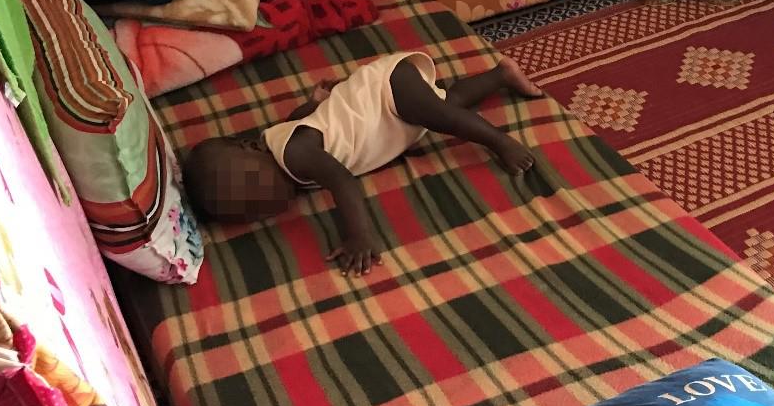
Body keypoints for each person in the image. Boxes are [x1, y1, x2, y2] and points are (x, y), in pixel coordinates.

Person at [182, 54, 542, 274]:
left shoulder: (293, 155)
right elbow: (303, 118)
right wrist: (319, 102)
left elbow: (343, 182)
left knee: (442, 114)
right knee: (448, 103)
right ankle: (501, 75)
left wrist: (358, 235)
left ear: (251, 148)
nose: (259, 201)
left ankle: (499, 142)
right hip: (388, 121)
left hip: (385, 90)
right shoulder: (280, 140)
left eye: (249, 185)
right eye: (249, 210)